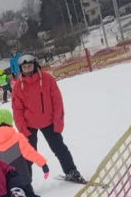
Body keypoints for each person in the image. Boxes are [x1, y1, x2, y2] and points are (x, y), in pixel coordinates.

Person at [11, 54, 86, 184]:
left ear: (35, 65)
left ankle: (71, 171)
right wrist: (23, 131)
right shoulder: (18, 87)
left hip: (49, 121)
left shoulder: (47, 79)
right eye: (24, 67)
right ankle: (26, 184)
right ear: (21, 69)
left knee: (59, 148)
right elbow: (17, 110)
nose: (27, 69)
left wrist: (58, 122)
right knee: (28, 154)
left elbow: (57, 101)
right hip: (29, 124)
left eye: (30, 66)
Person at [0, 107, 49, 197]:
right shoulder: (18, 137)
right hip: (24, 180)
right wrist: (43, 164)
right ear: (10, 122)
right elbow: (30, 152)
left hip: (9, 185)